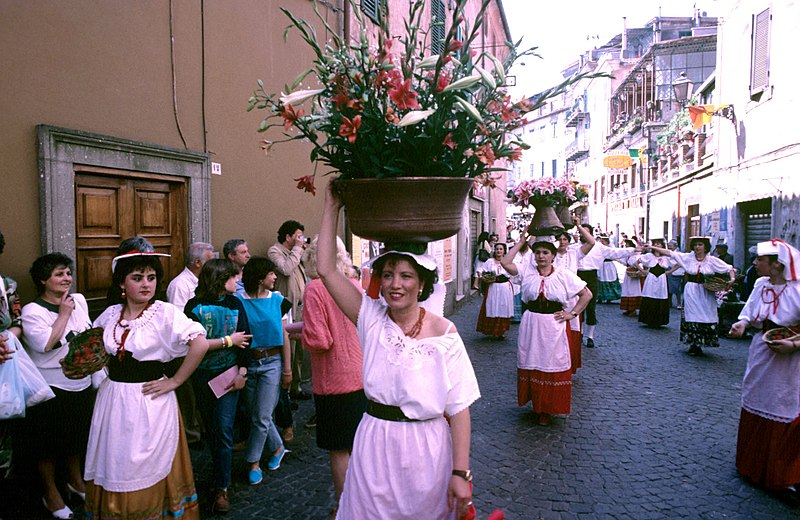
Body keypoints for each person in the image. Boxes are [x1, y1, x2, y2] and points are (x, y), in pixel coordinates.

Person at [317, 184, 480, 520]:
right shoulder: (369, 318)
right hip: (375, 445)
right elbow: (326, 270)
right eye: (388, 275)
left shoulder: (445, 334)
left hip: (427, 450)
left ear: (422, 284)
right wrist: (332, 206)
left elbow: (459, 408)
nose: (395, 284)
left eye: (406, 276)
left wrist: (460, 472)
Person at [84, 245, 209, 519]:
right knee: (116, 458)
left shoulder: (164, 313)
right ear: (121, 283)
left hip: (150, 400)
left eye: (151, 278)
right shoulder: (110, 315)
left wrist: (175, 381)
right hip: (113, 399)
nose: (146, 284)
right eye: (137, 278)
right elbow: (94, 348)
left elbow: (199, 343)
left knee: (148, 461)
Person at [19, 253, 95, 519]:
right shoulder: (32, 311)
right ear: (43, 280)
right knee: (47, 445)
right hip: (51, 388)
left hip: (81, 382)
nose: (66, 278)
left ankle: (75, 482)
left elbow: (87, 334)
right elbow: (46, 344)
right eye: (59, 274)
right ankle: (51, 495)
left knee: (76, 438)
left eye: (68, 273)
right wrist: (63, 314)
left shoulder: (79, 300)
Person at [728, 239, 800, 506]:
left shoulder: (798, 290)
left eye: (760, 260)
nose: (755, 263)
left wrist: (793, 344)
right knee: (757, 399)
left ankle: (782, 476)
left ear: (777, 265)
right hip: (762, 350)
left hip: (789, 357)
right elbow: (749, 312)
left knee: (784, 404)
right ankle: (752, 465)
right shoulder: (760, 284)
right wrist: (742, 323)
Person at [301, 236, 366, 518]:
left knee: (339, 450)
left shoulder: (315, 288)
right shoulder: (353, 284)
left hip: (333, 381)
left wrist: (299, 334)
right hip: (360, 376)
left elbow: (320, 340)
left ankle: (343, 508)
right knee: (359, 447)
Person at [502, 236, 593, 426]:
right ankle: (536, 403)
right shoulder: (527, 272)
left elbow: (586, 294)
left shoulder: (563, 275)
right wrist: (521, 241)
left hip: (553, 325)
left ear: (553, 255)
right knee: (532, 360)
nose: (541, 256)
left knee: (550, 361)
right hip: (531, 323)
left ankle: (548, 408)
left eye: (545, 253)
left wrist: (572, 313)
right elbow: (505, 262)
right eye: (537, 252)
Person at [184, 258, 252, 513]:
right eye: (233, 277)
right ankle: (217, 469)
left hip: (229, 375)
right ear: (220, 280)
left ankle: (221, 487)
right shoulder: (194, 306)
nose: (237, 280)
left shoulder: (236, 304)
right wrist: (228, 340)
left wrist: (243, 372)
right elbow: (190, 343)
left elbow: (246, 339)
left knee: (224, 428)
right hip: (202, 376)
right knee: (212, 429)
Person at [236, 257, 292, 487]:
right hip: (248, 362)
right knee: (257, 414)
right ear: (260, 278)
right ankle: (278, 447)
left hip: (272, 363)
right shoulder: (238, 301)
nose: (275, 277)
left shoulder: (279, 301)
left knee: (261, 417)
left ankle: (253, 463)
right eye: (271, 273)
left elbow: (285, 336)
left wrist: (287, 369)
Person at [650, 236, 735, 356]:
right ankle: (693, 344)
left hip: (706, 291)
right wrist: (652, 247)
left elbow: (729, 268)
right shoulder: (688, 258)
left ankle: (703, 341)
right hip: (692, 290)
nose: (697, 247)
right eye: (695, 245)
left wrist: (732, 279)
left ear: (706, 247)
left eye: (700, 244)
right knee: (692, 314)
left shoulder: (712, 260)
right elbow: (670, 253)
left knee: (705, 315)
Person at [167, 241, 215, 446]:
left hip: (200, 345)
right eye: (210, 260)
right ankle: (191, 434)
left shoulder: (201, 281)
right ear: (197, 263)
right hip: (184, 348)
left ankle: (202, 427)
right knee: (187, 395)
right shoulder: (180, 285)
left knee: (199, 391)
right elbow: (178, 319)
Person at [267, 221, 310, 401]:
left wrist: (304, 250)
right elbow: (285, 269)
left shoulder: (297, 252)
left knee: (299, 350)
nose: (301, 239)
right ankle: (285, 393)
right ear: (288, 237)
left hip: (300, 307)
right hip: (287, 309)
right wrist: (298, 249)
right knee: (289, 350)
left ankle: (296, 387)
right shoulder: (274, 251)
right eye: (298, 236)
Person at [475, 243, 514, 339]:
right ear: (494, 250)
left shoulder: (508, 262)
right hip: (493, 286)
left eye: (501, 249)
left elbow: (514, 273)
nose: (499, 251)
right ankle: (491, 331)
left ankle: (501, 331)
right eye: (497, 249)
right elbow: (480, 269)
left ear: (504, 251)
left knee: (503, 307)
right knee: (492, 306)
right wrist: (483, 277)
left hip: (504, 287)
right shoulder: (489, 261)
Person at [167, 242, 215, 311]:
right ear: (198, 263)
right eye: (210, 262)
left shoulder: (208, 279)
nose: (213, 265)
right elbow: (178, 314)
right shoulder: (179, 285)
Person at [637, 239, 672, 327]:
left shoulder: (666, 257)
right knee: (650, 295)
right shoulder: (649, 256)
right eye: (655, 243)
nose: (656, 245)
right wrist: (643, 271)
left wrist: (669, 272)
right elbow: (636, 262)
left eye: (658, 244)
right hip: (651, 277)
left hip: (661, 278)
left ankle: (659, 321)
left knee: (661, 296)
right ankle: (648, 319)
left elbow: (678, 263)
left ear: (662, 245)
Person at [619, 239, 645, 316]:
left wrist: (639, 270)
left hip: (635, 276)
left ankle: (633, 309)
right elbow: (624, 262)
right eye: (626, 244)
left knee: (634, 291)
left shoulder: (637, 255)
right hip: (629, 275)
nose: (626, 246)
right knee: (627, 290)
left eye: (628, 244)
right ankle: (628, 308)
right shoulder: (628, 255)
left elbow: (639, 264)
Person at [596, 235, 622, 304]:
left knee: (610, 279)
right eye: (601, 241)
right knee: (601, 279)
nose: (602, 243)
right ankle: (600, 297)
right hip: (602, 265)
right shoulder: (600, 249)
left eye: (603, 241)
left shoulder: (610, 249)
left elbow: (614, 255)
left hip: (609, 265)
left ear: (607, 242)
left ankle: (609, 298)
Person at [666, 240, 685, 309]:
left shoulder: (678, 253)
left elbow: (679, 263)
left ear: (675, 246)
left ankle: (679, 303)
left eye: (671, 246)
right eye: (668, 246)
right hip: (669, 271)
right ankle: (669, 303)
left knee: (677, 289)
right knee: (668, 288)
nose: (669, 247)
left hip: (676, 272)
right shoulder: (667, 252)